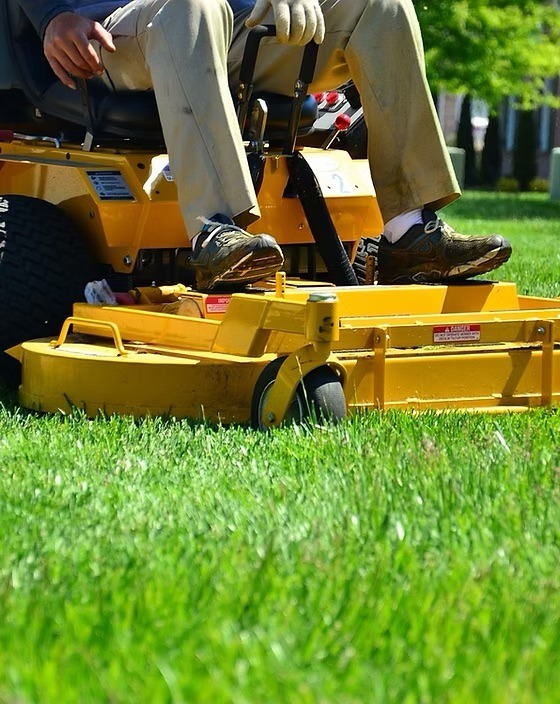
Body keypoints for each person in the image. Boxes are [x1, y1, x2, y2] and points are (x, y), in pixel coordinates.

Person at [18, 0, 512, 288]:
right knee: (192, 7)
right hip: (112, 32)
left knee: (382, 5)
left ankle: (410, 233)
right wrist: (51, 16)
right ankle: (216, 232)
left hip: (231, 24)